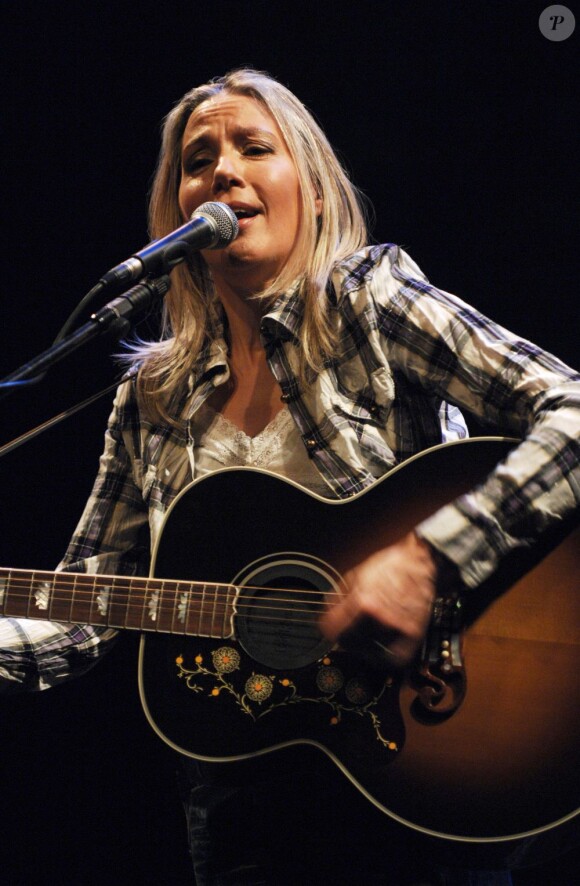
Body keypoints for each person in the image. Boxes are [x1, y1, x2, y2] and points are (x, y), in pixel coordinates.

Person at [1, 68, 579, 885]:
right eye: (198, 159)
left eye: (253, 147)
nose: (223, 171)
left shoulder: (371, 305)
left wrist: (429, 560)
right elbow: (85, 605)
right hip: (243, 805)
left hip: (429, 750)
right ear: (174, 216)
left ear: (311, 192)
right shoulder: (151, 393)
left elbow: (572, 411)